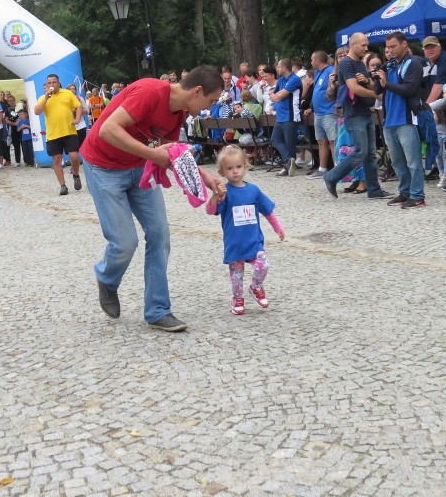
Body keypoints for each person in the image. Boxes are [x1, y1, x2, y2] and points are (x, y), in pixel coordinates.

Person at [80, 65, 225, 332]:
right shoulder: (149, 91)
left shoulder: (178, 112)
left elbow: (171, 154)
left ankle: (158, 311)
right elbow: (107, 130)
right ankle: (107, 279)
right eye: (211, 100)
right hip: (103, 167)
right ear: (197, 91)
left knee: (160, 234)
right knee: (124, 243)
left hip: (139, 168)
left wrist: (206, 177)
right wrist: (153, 155)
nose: (208, 108)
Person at [205, 145, 284, 316]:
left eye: (238, 166)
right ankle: (237, 297)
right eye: (230, 168)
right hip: (234, 242)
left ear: (245, 166)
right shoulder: (224, 192)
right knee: (236, 275)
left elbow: (267, 210)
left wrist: (277, 228)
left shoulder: (253, 190)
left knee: (263, 266)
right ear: (222, 172)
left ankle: (256, 287)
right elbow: (210, 211)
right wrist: (215, 196)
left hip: (254, 241)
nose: (235, 171)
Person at [322, 33, 392, 200]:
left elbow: (370, 84)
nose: (366, 48)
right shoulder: (346, 63)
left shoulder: (360, 63)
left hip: (364, 112)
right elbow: (353, 88)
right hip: (353, 114)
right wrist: (377, 95)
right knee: (361, 151)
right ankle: (331, 176)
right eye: (363, 45)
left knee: (369, 154)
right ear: (353, 45)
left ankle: (374, 190)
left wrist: (368, 83)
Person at [374, 31, 426, 209]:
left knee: (413, 161)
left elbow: (410, 89)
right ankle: (405, 192)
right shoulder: (389, 65)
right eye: (388, 47)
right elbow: (378, 91)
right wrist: (377, 78)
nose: (390, 50)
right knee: (397, 161)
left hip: (406, 119)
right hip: (389, 121)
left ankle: (418, 196)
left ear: (404, 44)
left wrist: (386, 83)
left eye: (393, 46)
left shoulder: (414, 63)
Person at [33, 74, 83, 195]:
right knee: (56, 159)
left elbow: (78, 106)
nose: (51, 85)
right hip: (53, 134)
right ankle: (63, 185)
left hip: (69, 131)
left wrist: (77, 119)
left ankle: (76, 175)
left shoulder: (67, 93)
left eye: (54, 82)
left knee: (74, 156)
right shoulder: (43, 97)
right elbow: (36, 111)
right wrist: (45, 98)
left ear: (58, 83)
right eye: (49, 83)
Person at [420, 36, 446, 179]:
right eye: (427, 47)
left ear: (439, 47)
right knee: (435, 138)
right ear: (423, 50)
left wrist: (425, 109)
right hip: (436, 109)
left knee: (444, 139)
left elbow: (438, 88)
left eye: (433, 46)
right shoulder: (424, 63)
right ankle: (438, 169)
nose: (430, 50)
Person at [269, 58, 303, 176]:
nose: (277, 69)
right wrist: (275, 96)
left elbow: (279, 95)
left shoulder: (295, 79)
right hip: (280, 116)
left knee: (290, 143)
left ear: (284, 68)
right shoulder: (281, 80)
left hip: (291, 115)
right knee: (275, 139)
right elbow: (274, 96)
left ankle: (288, 166)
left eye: (278, 67)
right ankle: (288, 162)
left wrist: (275, 95)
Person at [307, 51, 336, 179]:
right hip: (318, 113)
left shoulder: (331, 70)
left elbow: (334, 89)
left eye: (312, 60)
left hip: (329, 112)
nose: (311, 62)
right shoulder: (317, 72)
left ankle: (337, 169)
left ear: (317, 60)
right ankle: (322, 168)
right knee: (321, 141)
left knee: (333, 141)